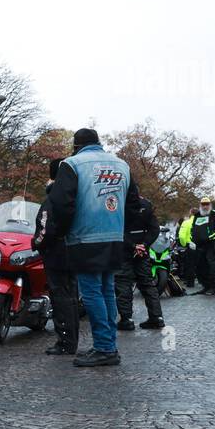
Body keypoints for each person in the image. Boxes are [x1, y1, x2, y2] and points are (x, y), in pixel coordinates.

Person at [43, 128, 142, 368]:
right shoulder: (122, 165)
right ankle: (109, 344)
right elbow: (133, 205)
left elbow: (61, 203)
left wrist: (61, 232)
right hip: (114, 238)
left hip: (85, 238)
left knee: (91, 293)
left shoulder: (72, 164)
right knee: (107, 290)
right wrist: (124, 233)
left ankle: (104, 347)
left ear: (76, 146)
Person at [33, 158, 79, 356]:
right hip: (73, 252)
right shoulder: (76, 196)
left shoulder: (52, 198)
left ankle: (65, 341)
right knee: (71, 297)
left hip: (56, 253)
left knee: (60, 297)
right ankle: (71, 338)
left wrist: (36, 243)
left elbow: (46, 227)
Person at [115, 193, 164, 330]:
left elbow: (117, 228)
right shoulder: (146, 204)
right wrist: (144, 244)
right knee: (147, 283)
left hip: (125, 249)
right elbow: (155, 228)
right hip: (142, 250)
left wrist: (132, 245)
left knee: (123, 283)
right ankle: (157, 317)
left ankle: (127, 319)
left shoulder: (118, 204)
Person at [189, 197, 215, 295]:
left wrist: (210, 237)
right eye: (203, 204)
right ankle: (206, 286)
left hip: (214, 245)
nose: (205, 206)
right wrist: (192, 239)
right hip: (200, 246)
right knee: (201, 267)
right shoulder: (197, 216)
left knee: (212, 266)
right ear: (200, 205)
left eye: (207, 204)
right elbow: (193, 228)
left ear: (210, 205)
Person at [176, 212, 198, 289]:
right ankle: (205, 282)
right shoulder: (203, 222)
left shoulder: (186, 222)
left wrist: (184, 244)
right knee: (203, 264)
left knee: (190, 265)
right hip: (201, 245)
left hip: (190, 245)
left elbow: (181, 236)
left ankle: (190, 283)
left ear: (191, 214)